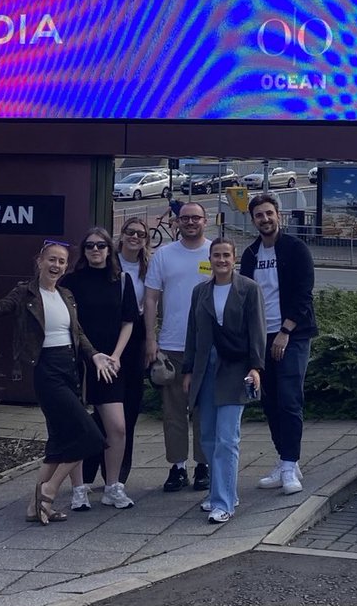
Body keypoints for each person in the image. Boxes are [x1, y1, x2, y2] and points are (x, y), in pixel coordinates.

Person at [0, 241, 116, 524]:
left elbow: (78, 333)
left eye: (61, 261)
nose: (56, 265)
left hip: (70, 370)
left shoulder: (66, 295)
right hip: (45, 370)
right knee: (91, 437)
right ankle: (48, 491)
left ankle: (33, 508)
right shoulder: (25, 293)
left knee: (59, 443)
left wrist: (95, 355)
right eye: (51, 259)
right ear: (39, 261)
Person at [239, 192, 318, 495]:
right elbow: (245, 298)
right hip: (261, 337)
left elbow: (303, 294)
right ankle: (285, 462)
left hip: (292, 335)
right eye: (259, 215)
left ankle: (290, 464)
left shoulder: (296, 249)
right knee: (269, 402)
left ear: (278, 216)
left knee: (289, 399)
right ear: (253, 220)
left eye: (269, 213)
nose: (265, 219)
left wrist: (285, 331)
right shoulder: (250, 255)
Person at [182, 236, 265, 524]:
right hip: (205, 369)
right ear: (210, 258)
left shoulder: (249, 289)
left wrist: (256, 367)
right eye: (216, 255)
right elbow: (193, 332)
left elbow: (257, 330)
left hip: (235, 368)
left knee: (227, 438)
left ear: (234, 258)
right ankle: (222, 490)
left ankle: (224, 502)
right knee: (207, 437)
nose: (221, 260)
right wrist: (188, 370)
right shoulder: (200, 292)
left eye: (226, 255)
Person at [62, 226, 138, 510]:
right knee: (77, 428)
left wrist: (116, 356)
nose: (96, 250)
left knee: (117, 427)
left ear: (110, 249)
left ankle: (112, 486)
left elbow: (128, 321)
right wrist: (90, 353)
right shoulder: (71, 282)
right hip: (79, 363)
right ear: (83, 251)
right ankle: (79, 489)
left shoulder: (122, 280)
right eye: (90, 246)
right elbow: (71, 322)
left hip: (110, 365)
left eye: (101, 246)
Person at [144, 201, 212, 493]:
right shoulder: (164, 255)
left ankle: (203, 465)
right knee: (173, 412)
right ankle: (177, 467)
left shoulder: (215, 252)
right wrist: (150, 338)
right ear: (176, 223)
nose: (190, 222)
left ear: (205, 221)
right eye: (185, 218)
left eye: (196, 218)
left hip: (206, 346)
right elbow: (150, 299)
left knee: (204, 411)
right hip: (172, 345)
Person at [113, 215, 149, 487]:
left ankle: (121, 472)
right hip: (109, 336)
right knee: (106, 406)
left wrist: (152, 340)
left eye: (140, 233)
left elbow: (152, 305)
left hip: (136, 337)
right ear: (122, 235)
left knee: (130, 406)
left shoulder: (148, 268)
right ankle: (95, 465)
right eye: (130, 232)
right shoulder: (109, 263)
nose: (135, 237)